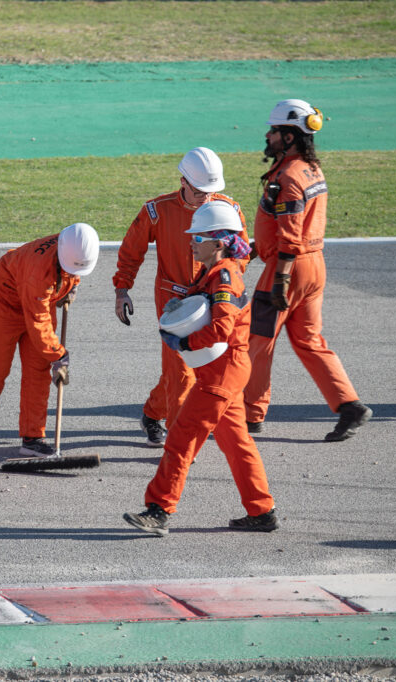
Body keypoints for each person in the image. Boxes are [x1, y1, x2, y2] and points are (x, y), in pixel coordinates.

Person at [123, 201, 277, 536]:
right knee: (237, 443)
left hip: (221, 373)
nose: (191, 242)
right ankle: (261, 511)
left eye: (198, 237)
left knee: (179, 438)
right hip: (225, 371)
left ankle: (159, 510)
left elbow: (220, 330)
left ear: (218, 242)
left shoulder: (223, 277)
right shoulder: (215, 271)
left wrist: (184, 344)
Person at [244, 99, 372, 441]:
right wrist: (254, 248)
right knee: (310, 341)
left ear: (290, 137)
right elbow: (284, 229)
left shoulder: (287, 178)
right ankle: (349, 405)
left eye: (274, 130)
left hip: (288, 270)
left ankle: (250, 416)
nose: (268, 135)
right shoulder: (311, 169)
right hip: (314, 267)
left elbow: (289, 233)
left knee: (257, 342)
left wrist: (280, 280)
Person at [112, 147, 247, 448]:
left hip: (213, 297)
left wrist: (222, 286)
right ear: (183, 181)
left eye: (212, 191)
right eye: (200, 191)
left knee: (203, 363)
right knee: (181, 372)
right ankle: (179, 441)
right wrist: (122, 289)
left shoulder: (227, 209)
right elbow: (131, 252)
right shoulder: (156, 210)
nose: (206, 198)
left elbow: (241, 255)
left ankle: (152, 413)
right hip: (173, 301)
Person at [0, 223, 100, 456]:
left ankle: (33, 436)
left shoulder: (74, 244)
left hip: (38, 301)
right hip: (3, 304)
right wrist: (59, 355)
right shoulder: (38, 272)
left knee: (38, 369)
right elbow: (38, 325)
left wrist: (70, 287)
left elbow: (71, 270)